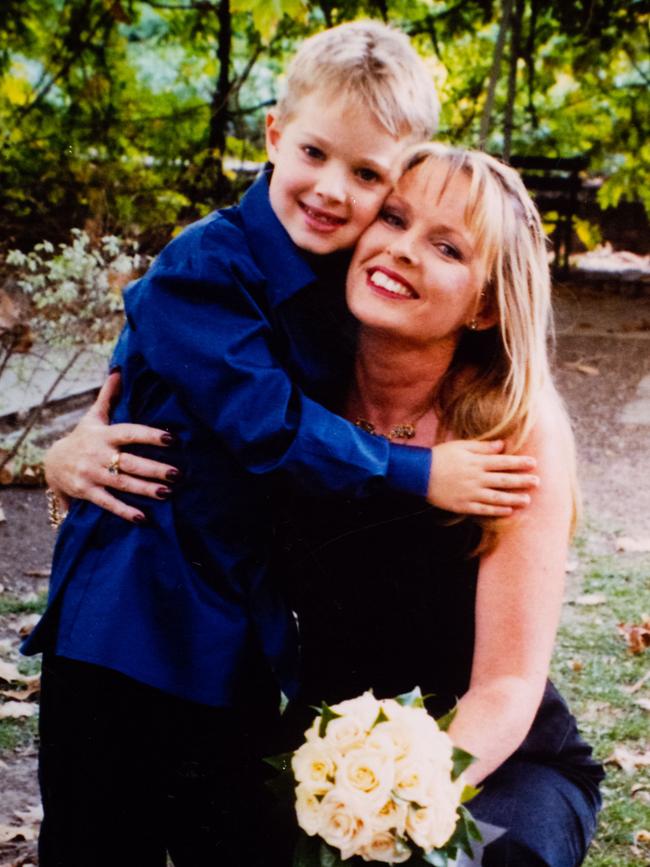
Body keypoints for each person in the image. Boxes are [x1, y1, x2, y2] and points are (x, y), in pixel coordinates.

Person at [25, 23, 538, 867]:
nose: (333, 189)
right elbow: (265, 424)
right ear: (273, 135)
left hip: (237, 631)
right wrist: (422, 470)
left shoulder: (347, 281)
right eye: (315, 153)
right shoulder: (204, 266)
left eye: (368, 173)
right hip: (133, 615)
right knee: (99, 840)